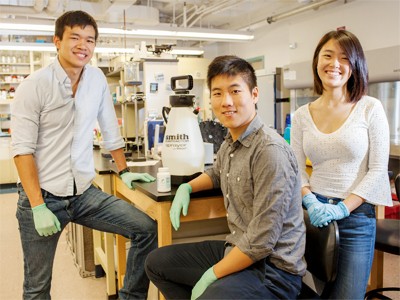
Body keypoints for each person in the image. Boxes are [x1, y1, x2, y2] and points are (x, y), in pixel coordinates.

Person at [11, 10, 157, 300]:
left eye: (90, 40)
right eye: (75, 37)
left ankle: (131, 297)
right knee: (37, 288)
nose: (83, 45)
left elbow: (109, 128)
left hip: (83, 194)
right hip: (42, 198)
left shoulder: (96, 79)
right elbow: (22, 150)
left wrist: (124, 170)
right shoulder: (33, 85)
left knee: (146, 229)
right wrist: (38, 205)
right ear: (57, 41)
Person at [145, 55, 306, 299]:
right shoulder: (231, 141)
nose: (226, 101)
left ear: (254, 94)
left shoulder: (270, 152)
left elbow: (261, 242)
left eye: (234, 91)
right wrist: (186, 188)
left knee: (211, 293)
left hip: (273, 271)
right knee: (156, 263)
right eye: (218, 93)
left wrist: (212, 274)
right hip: (237, 248)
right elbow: (217, 173)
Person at [291, 30, 392, 299]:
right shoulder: (301, 115)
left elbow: (378, 170)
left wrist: (342, 209)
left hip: (356, 217)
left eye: (344, 58)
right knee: (324, 290)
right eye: (328, 55)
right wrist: (310, 201)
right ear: (316, 61)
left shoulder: (370, 107)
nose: (334, 63)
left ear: (355, 66)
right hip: (316, 215)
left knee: (348, 295)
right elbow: (296, 169)